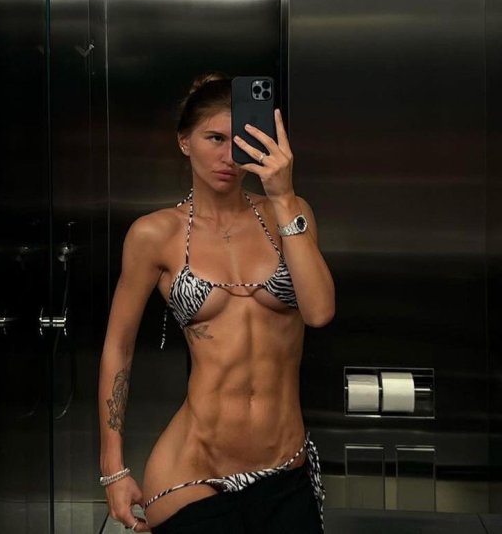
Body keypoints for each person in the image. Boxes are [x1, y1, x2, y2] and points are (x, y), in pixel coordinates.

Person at [98, 73, 335, 533]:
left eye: (240, 140)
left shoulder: (289, 213)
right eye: (215, 139)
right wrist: (113, 467)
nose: (229, 157)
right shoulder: (155, 234)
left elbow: (320, 311)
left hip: (285, 466)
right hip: (192, 473)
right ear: (184, 141)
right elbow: (118, 347)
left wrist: (284, 196)